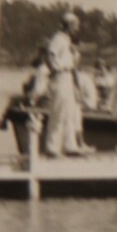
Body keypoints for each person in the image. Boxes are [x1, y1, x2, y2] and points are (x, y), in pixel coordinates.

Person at [39, 11, 87, 157]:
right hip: (60, 76)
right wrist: (55, 68)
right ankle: (52, 147)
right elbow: (50, 54)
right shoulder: (58, 39)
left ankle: (69, 145)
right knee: (59, 111)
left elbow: (71, 60)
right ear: (69, 25)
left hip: (68, 76)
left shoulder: (67, 40)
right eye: (75, 25)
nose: (77, 28)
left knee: (69, 112)